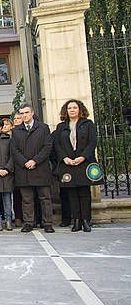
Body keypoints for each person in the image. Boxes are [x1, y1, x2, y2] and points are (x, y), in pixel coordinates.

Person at [52, 99, 98, 232]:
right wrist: (64, 158)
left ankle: (85, 220)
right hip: (68, 164)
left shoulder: (88, 124)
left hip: (84, 162)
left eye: (74, 108)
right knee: (71, 192)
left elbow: (92, 142)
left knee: (84, 192)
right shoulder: (61, 127)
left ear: (80, 109)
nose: (72, 110)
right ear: (66, 111)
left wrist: (83, 157)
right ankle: (76, 220)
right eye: (69, 108)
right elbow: (57, 145)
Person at [10, 103, 55, 233]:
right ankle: (29, 222)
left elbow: (47, 147)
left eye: (27, 112)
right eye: (22, 113)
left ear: (32, 112)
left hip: (40, 168)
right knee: (27, 199)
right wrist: (25, 162)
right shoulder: (16, 130)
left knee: (45, 198)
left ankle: (47, 223)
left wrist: (35, 160)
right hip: (24, 170)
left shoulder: (43, 128)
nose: (24, 115)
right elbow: (14, 149)